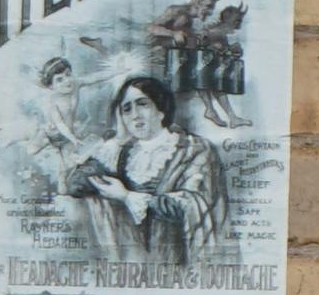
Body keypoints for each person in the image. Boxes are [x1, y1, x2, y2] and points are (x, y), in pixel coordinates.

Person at [66, 73, 222, 276]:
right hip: (132, 264)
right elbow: (75, 185)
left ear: (161, 110)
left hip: (177, 260)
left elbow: (193, 203)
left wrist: (126, 196)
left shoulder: (193, 148)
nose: (135, 115)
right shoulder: (122, 152)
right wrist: (118, 140)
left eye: (142, 104)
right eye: (126, 109)